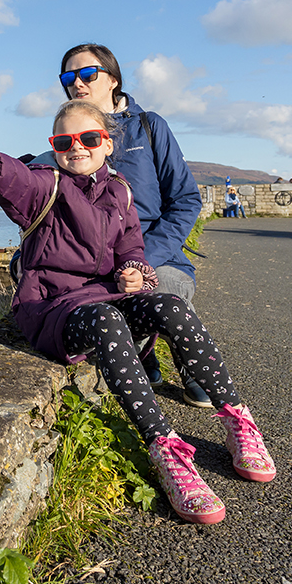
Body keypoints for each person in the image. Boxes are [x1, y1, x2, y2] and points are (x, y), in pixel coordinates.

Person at [0, 100, 276, 525]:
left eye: (89, 138)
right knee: (108, 321)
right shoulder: (46, 186)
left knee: (170, 307)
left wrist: (134, 271)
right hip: (52, 305)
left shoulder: (120, 190)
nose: (76, 147)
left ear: (107, 145)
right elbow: (16, 179)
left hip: (104, 293)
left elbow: (130, 246)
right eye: (63, 141)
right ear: (54, 147)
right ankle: (165, 450)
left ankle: (236, 420)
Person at [58, 43, 212, 408]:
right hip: (101, 260)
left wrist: (143, 258)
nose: (77, 83)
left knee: (167, 287)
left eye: (87, 74)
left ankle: (189, 362)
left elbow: (186, 200)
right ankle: (145, 356)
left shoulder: (149, 126)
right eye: (68, 77)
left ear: (112, 79)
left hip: (157, 249)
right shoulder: (71, 138)